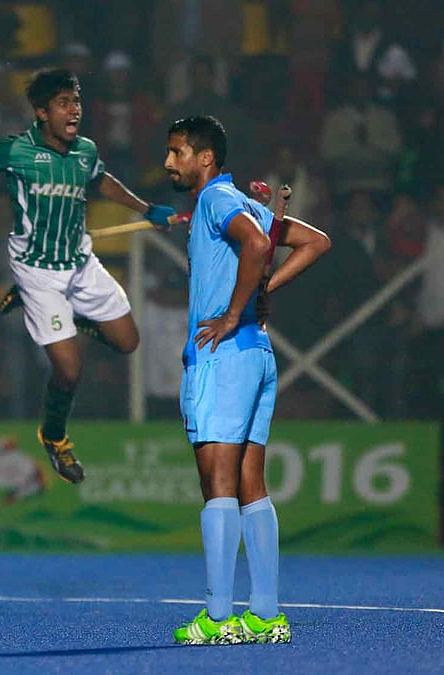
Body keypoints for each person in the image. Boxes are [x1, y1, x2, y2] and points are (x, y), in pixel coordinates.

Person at [0, 68, 179, 485]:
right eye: (64, 104)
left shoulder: (85, 151)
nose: (74, 111)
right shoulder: (13, 151)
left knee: (128, 342)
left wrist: (145, 208)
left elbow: (100, 181)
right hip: (38, 272)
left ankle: (71, 318)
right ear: (41, 112)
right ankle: (54, 435)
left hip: (81, 264)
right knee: (70, 370)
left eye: (77, 103)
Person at [162, 115, 330, 645]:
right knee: (252, 486)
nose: (169, 162)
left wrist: (234, 311)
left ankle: (216, 619)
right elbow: (315, 242)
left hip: (223, 354)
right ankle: (264, 615)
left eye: (177, 153)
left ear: (204, 158)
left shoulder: (216, 200)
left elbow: (257, 246)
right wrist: (263, 294)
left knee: (218, 486)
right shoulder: (241, 201)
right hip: (258, 355)